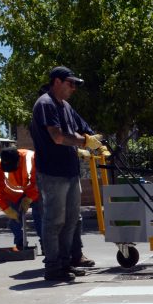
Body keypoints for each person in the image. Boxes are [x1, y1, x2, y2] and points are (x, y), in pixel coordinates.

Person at [30, 66, 103, 281]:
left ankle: (65, 263)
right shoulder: (46, 104)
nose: (73, 88)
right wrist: (85, 141)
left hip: (70, 172)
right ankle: (53, 267)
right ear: (57, 82)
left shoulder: (66, 106)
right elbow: (58, 137)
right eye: (70, 83)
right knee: (54, 221)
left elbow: (83, 128)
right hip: (53, 173)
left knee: (71, 220)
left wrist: (97, 140)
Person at [0, 146, 43, 251]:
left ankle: (45, 243)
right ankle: (20, 242)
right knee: (14, 219)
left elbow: (38, 183)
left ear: (19, 159)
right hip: (14, 195)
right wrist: (6, 208)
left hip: (34, 192)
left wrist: (29, 198)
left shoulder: (32, 158)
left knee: (40, 215)